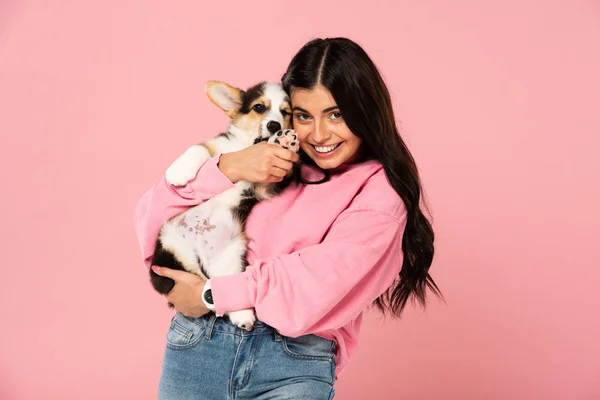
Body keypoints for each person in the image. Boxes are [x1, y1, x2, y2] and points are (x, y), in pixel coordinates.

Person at [133, 37, 441, 400]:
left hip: (292, 363)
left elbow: (315, 285)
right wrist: (229, 167)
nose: (320, 134)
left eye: (336, 114)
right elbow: (151, 224)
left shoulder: (379, 192)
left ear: (365, 111)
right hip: (199, 344)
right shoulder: (269, 160)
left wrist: (212, 293)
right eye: (303, 115)